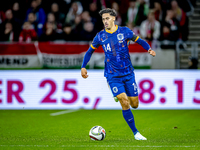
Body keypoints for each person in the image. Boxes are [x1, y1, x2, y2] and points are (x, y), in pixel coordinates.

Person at [81, 8, 156, 140]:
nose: (105, 21)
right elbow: (89, 52)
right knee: (124, 101)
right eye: (103, 19)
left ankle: (117, 94)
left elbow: (139, 40)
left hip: (128, 73)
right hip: (112, 74)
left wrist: (148, 49)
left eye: (107, 18)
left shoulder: (125, 31)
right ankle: (136, 133)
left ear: (114, 18)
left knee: (135, 104)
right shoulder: (100, 36)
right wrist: (83, 67)